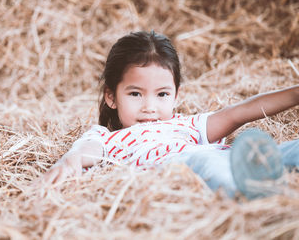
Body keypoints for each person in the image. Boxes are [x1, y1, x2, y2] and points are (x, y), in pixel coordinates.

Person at [44, 31, 299, 199]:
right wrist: (71, 160)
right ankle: (254, 196)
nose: (149, 107)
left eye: (162, 94)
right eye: (135, 94)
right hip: (185, 166)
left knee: (287, 150)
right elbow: (87, 149)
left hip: (229, 156)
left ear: (176, 96)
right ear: (111, 96)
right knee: (206, 164)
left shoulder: (186, 125)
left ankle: (261, 172)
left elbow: (239, 112)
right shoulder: (108, 139)